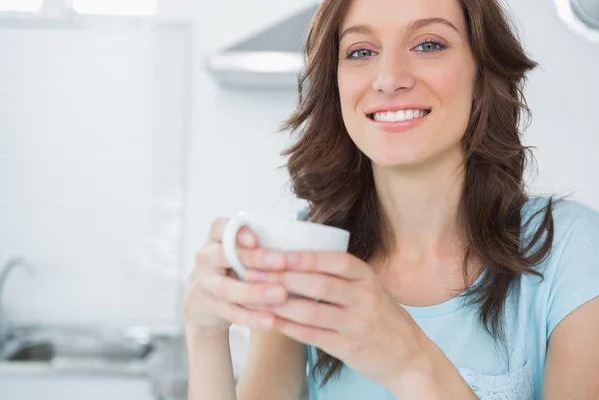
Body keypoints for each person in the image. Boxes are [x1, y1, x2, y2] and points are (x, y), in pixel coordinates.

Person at [184, 0, 599, 398]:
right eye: (361, 50)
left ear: (481, 73)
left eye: (429, 44)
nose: (388, 78)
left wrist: (409, 364)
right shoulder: (310, 248)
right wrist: (205, 335)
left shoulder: (571, 251)